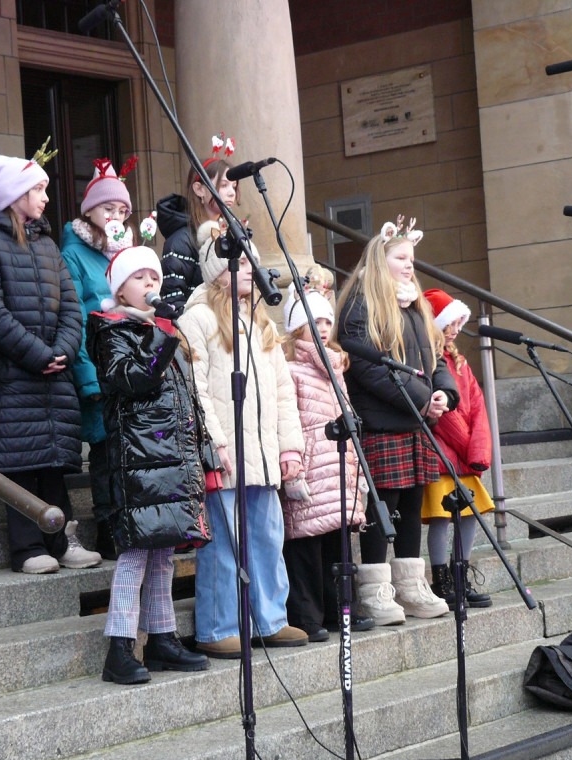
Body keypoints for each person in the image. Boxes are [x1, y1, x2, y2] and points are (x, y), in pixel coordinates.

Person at [0, 147, 102, 575]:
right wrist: (39, 355)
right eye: (37, 188)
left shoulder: (46, 243)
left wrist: (62, 348)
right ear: (15, 194)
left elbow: (70, 307)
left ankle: (61, 542)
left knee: (53, 462)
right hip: (14, 377)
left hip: (52, 375)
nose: (45, 196)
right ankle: (27, 548)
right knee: (20, 464)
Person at [177, 219, 308, 659]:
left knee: (268, 539)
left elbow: (283, 389)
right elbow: (194, 389)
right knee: (224, 545)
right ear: (219, 269)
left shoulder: (260, 323)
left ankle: (270, 619)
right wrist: (215, 443)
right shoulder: (196, 320)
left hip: (264, 455)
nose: (253, 268)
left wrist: (290, 446)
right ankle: (218, 626)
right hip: (228, 454)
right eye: (244, 262)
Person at [87, 245, 212, 684]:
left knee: (163, 551)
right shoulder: (111, 329)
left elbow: (186, 396)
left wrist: (205, 446)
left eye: (154, 278)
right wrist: (162, 338)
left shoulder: (164, 330)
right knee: (136, 551)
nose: (150, 285)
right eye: (139, 278)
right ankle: (119, 647)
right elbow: (131, 380)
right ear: (119, 288)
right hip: (137, 458)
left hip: (171, 459)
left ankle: (162, 638)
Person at [335, 216, 457, 624]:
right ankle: (375, 590)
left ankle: (409, 585)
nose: (409, 265)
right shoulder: (360, 304)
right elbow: (368, 369)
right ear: (379, 257)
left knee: (412, 503)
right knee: (382, 509)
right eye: (400, 257)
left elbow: (434, 356)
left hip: (415, 421)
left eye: (411, 258)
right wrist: (422, 401)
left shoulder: (415, 304)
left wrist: (443, 393)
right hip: (384, 422)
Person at [279, 269, 371, 640]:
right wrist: (293, 470)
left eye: (325, 321)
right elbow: (288, 420)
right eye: (311, 321)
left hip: (337, 466)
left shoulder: (337, 370)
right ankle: (306, 615)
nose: (321, 327)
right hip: (310, 468)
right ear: (295, 329)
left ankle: (340, 609)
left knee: (339, 544)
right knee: (306, 545)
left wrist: (357, 467)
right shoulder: (292, 370)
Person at [62, 157, 142, 562]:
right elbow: (74, 313)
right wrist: (89, 378)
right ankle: (111, 529)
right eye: (108, 208)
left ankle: (134, 525)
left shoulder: (126, 253)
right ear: (89, 210)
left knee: (132, 451)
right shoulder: (73, 253)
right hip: (99, 369)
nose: (116, 216)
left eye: (122, 210)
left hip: (131, 371)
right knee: (106, 453)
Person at [421, 288, 494, 608]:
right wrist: (468, 445)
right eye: (447, 323)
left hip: (464, 457)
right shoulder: (428, 358)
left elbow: (477, 405)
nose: (453, 330)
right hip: (441, 452)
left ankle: (460, 573)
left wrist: (478, 450)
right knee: (441, 516)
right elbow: (444, 414)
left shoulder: (460, 362)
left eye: (457, 324)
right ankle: (441, 580)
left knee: (470, 515)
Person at [157, 133, 238, 315]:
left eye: (234, 186)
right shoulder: (180, 240)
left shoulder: (232, 233)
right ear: (199, 189)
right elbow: (173, 301)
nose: (232, 192)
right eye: (224, 185)